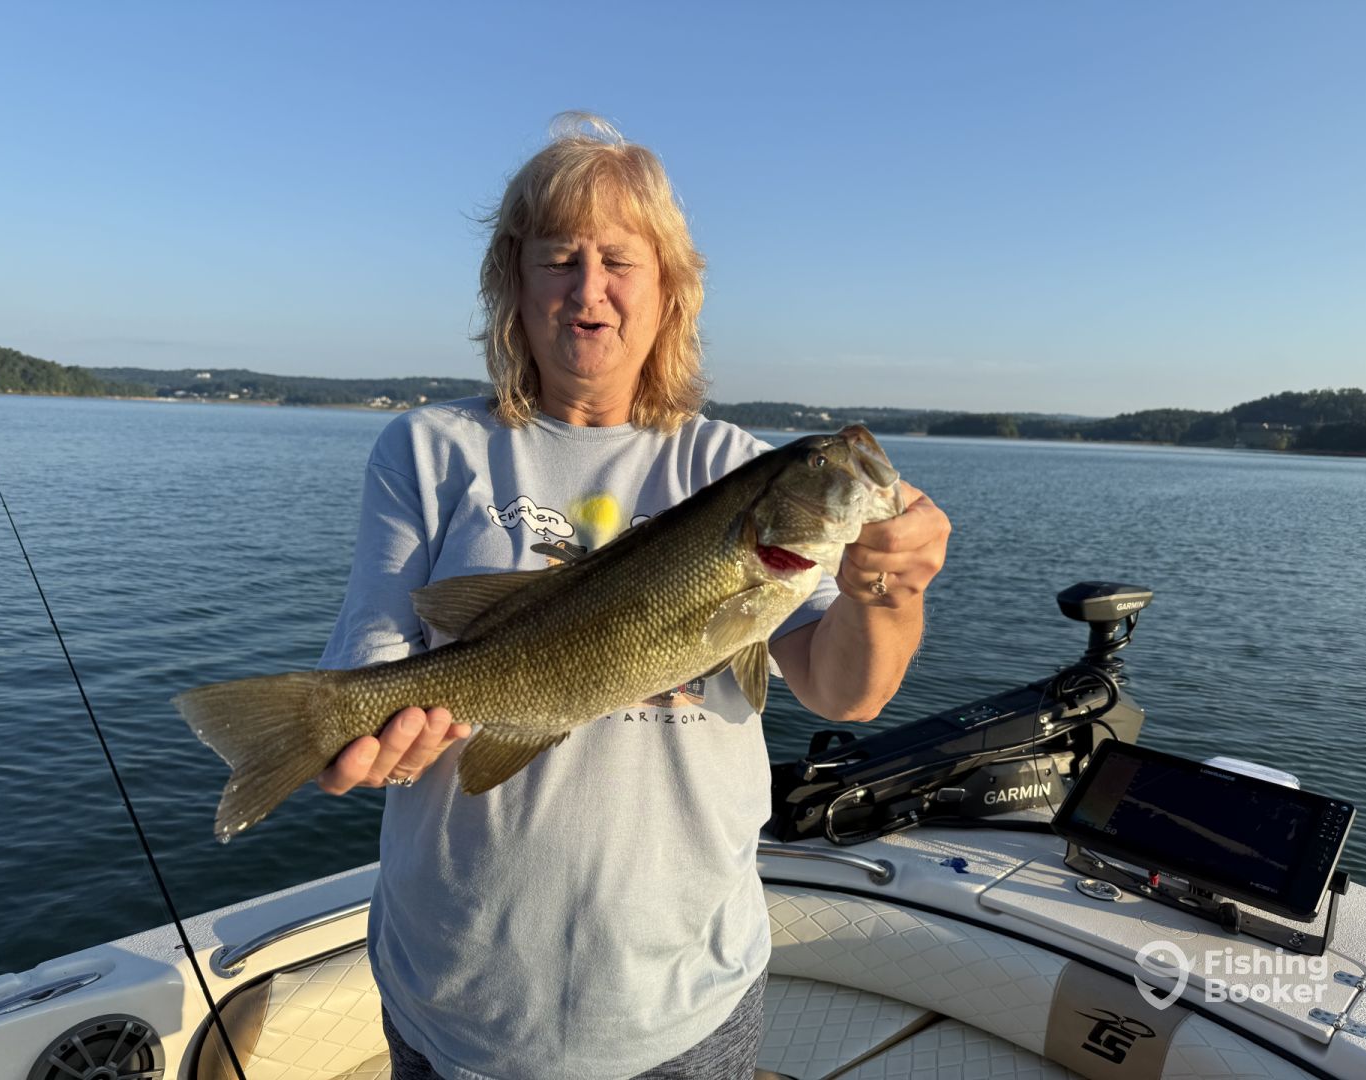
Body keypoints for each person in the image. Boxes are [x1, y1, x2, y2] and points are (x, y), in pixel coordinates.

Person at [314, 114, 951, 1080]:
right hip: (454, 991)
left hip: (681, 1002)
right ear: (512, 282)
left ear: (669, 292)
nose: (588, 290)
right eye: (558, 259)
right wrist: (355, 733)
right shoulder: (429, 448)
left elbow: (845, 691)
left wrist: (885, 588)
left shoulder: (730, 464)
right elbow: (374, 655)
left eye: (619, 261)